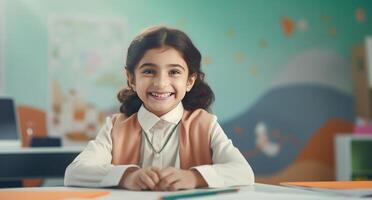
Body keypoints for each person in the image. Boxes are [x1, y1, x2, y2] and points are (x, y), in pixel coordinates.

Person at [64, 26, 254, 191]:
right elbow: (75, 172)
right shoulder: (116, 127)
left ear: (189, 81)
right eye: (148, 71)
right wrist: (126, 176)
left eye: (174, 72)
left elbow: (243, 172)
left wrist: (194, 177)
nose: (161, 83)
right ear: (131, 78)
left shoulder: (205, 125)